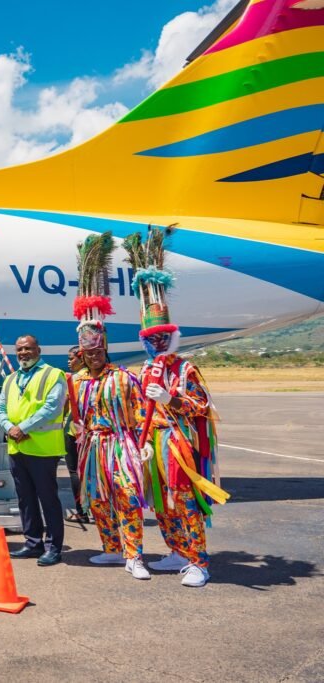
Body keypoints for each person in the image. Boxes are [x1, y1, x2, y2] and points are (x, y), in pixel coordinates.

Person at [124, 226, 229, 588]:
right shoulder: (145, 370)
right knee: (161, 503)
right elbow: (140, 409)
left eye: (161, 338)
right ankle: (177, 551)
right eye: (150, 339)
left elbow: (202, 406)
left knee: (184, 501)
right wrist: (143, 441)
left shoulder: (186, 369)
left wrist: (172, 399)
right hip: (155, 445)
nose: (156, 344)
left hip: (180, 447)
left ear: (172, 337)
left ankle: (199, 561)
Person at [69, 231, 148, 579]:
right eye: (89, 353)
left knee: (127, 496)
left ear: (106, 349)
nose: (95, 357)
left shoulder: (124, 377)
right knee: (98, 499)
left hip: (121, 444)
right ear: (82, 353)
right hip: (92, 448)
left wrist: (142, 445)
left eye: (99, 351)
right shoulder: (77, 380)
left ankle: (135, 555)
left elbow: (142, 413)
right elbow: (70, 413)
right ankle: (112, 549)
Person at [0, 334, 67, 567]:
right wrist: (10, 428)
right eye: (19, 350)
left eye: (27, 349)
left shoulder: (53, 374)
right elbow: (0, 408)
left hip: (43, 449)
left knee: (48, 498)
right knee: (25, 498)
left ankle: (54, 547)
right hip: (17, 447)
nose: (23, 353)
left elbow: (52, 407)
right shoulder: (11, 379)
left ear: (38, 350)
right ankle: (33, 542)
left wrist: (23, 427)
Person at [63, 346, 90, 524]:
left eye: (71, 358)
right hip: (91, 430)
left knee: (74, 471)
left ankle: (81, 511)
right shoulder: (96, 376)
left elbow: (65, 403)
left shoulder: (75, 379)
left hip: (73, 429)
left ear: (81, 359)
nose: (68, 361)